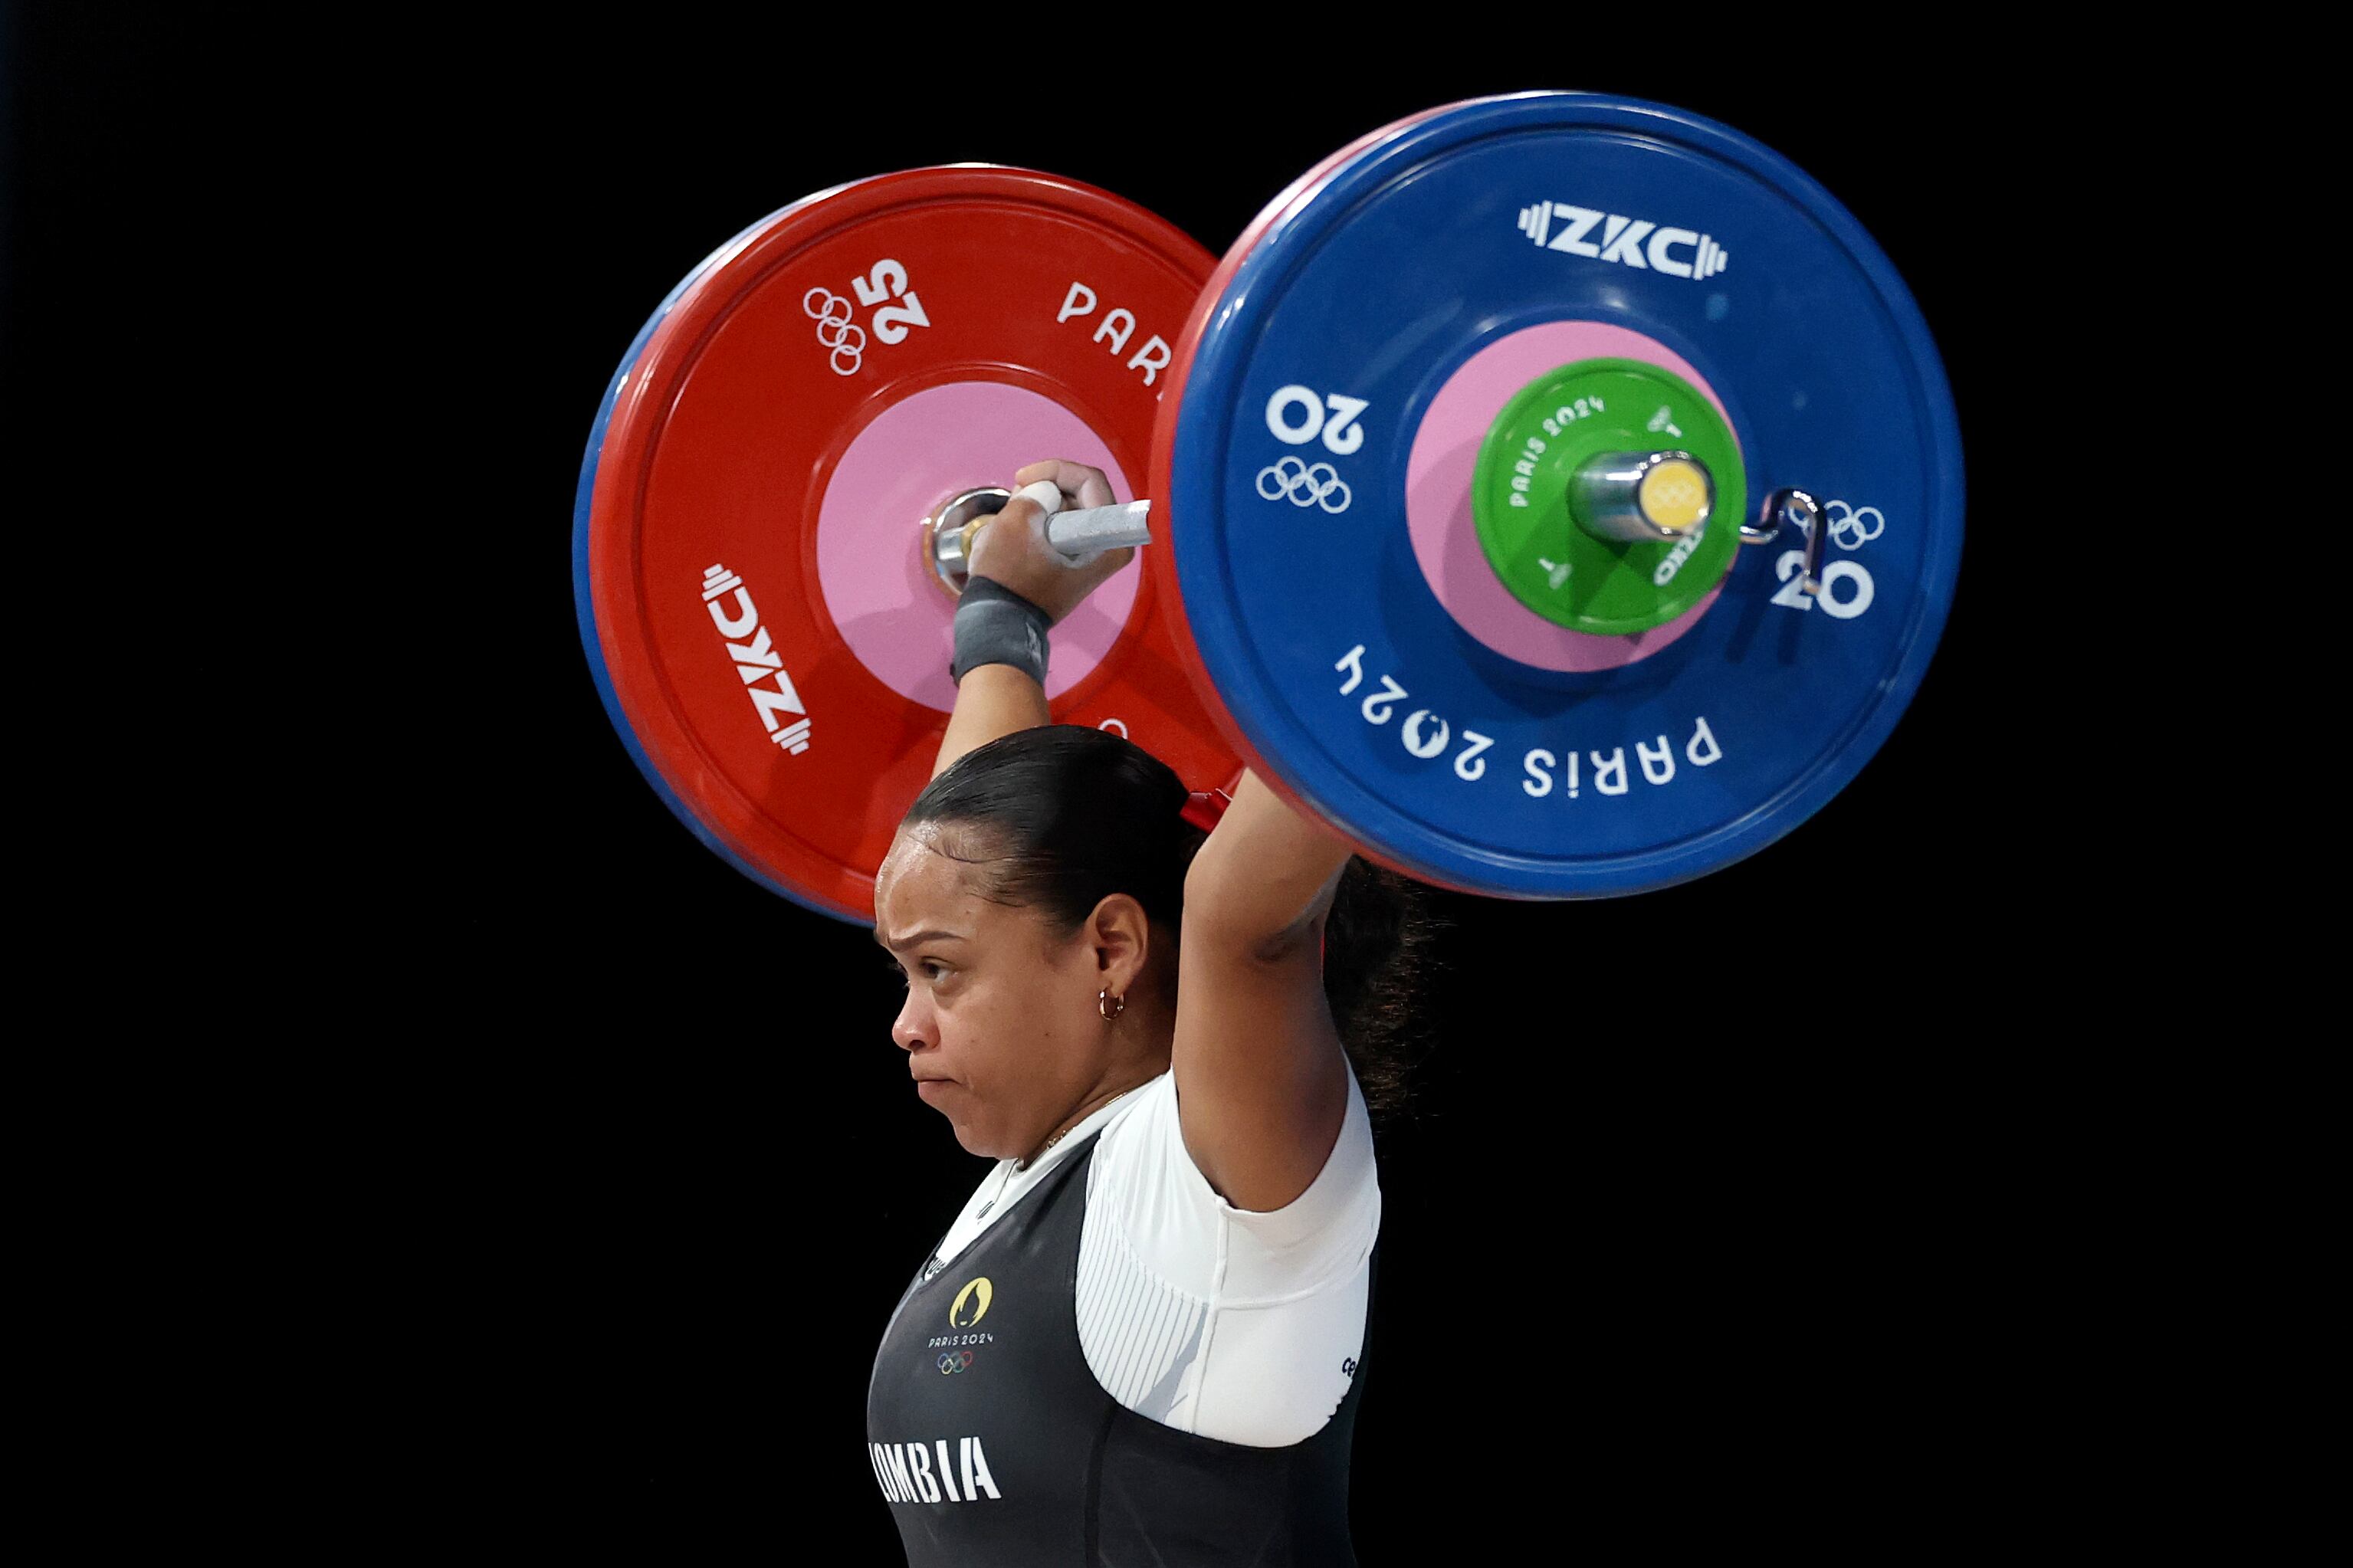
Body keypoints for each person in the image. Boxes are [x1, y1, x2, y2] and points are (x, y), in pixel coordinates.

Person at [863, 461, 1444, 1564]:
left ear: (1111, 946)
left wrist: (1430, 587)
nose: (903, 1020)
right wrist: (1002, 619)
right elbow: (982, 851)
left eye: (938, 973)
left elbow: (1242, 919)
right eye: (907, 974)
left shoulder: (1215, 1185)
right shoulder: (1036, 1177)